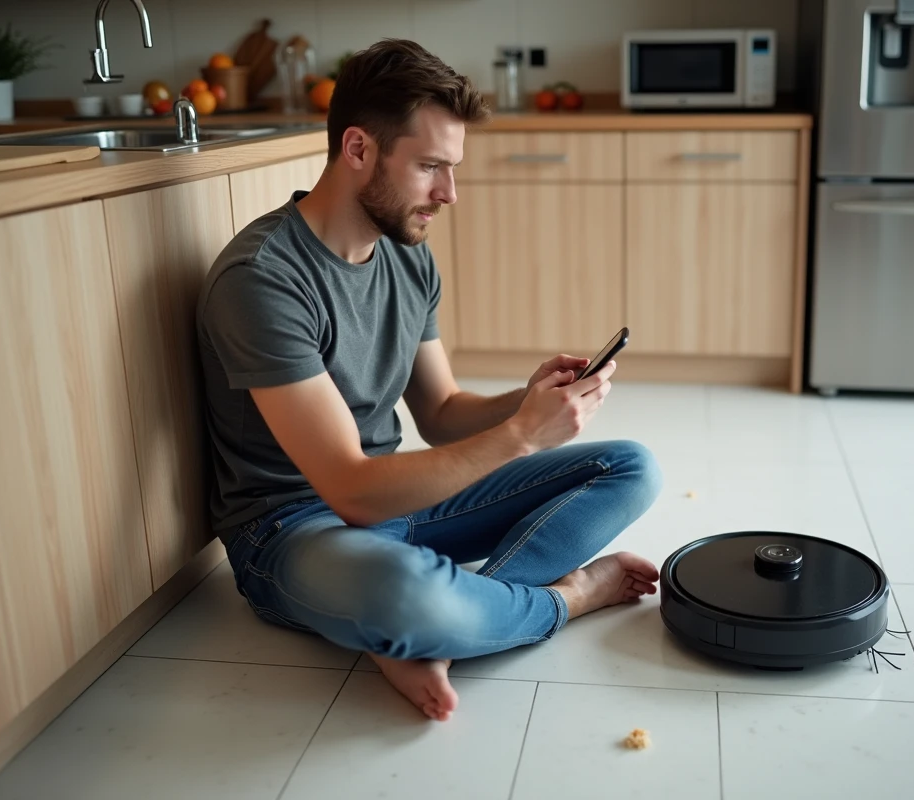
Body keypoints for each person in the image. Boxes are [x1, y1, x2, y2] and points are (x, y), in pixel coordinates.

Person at [195, 39, 662, 722]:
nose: (449, 194)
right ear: (358, 149)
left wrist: (528, 405)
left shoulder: (406, 258)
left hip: (400, 501)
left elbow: (441, 411)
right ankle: (561, 600)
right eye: (431, 168)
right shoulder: (263, 280)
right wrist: (522, 439)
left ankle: (441, 631)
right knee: (405, 595)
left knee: (632, 467)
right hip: (290, 529)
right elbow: (349, 489)